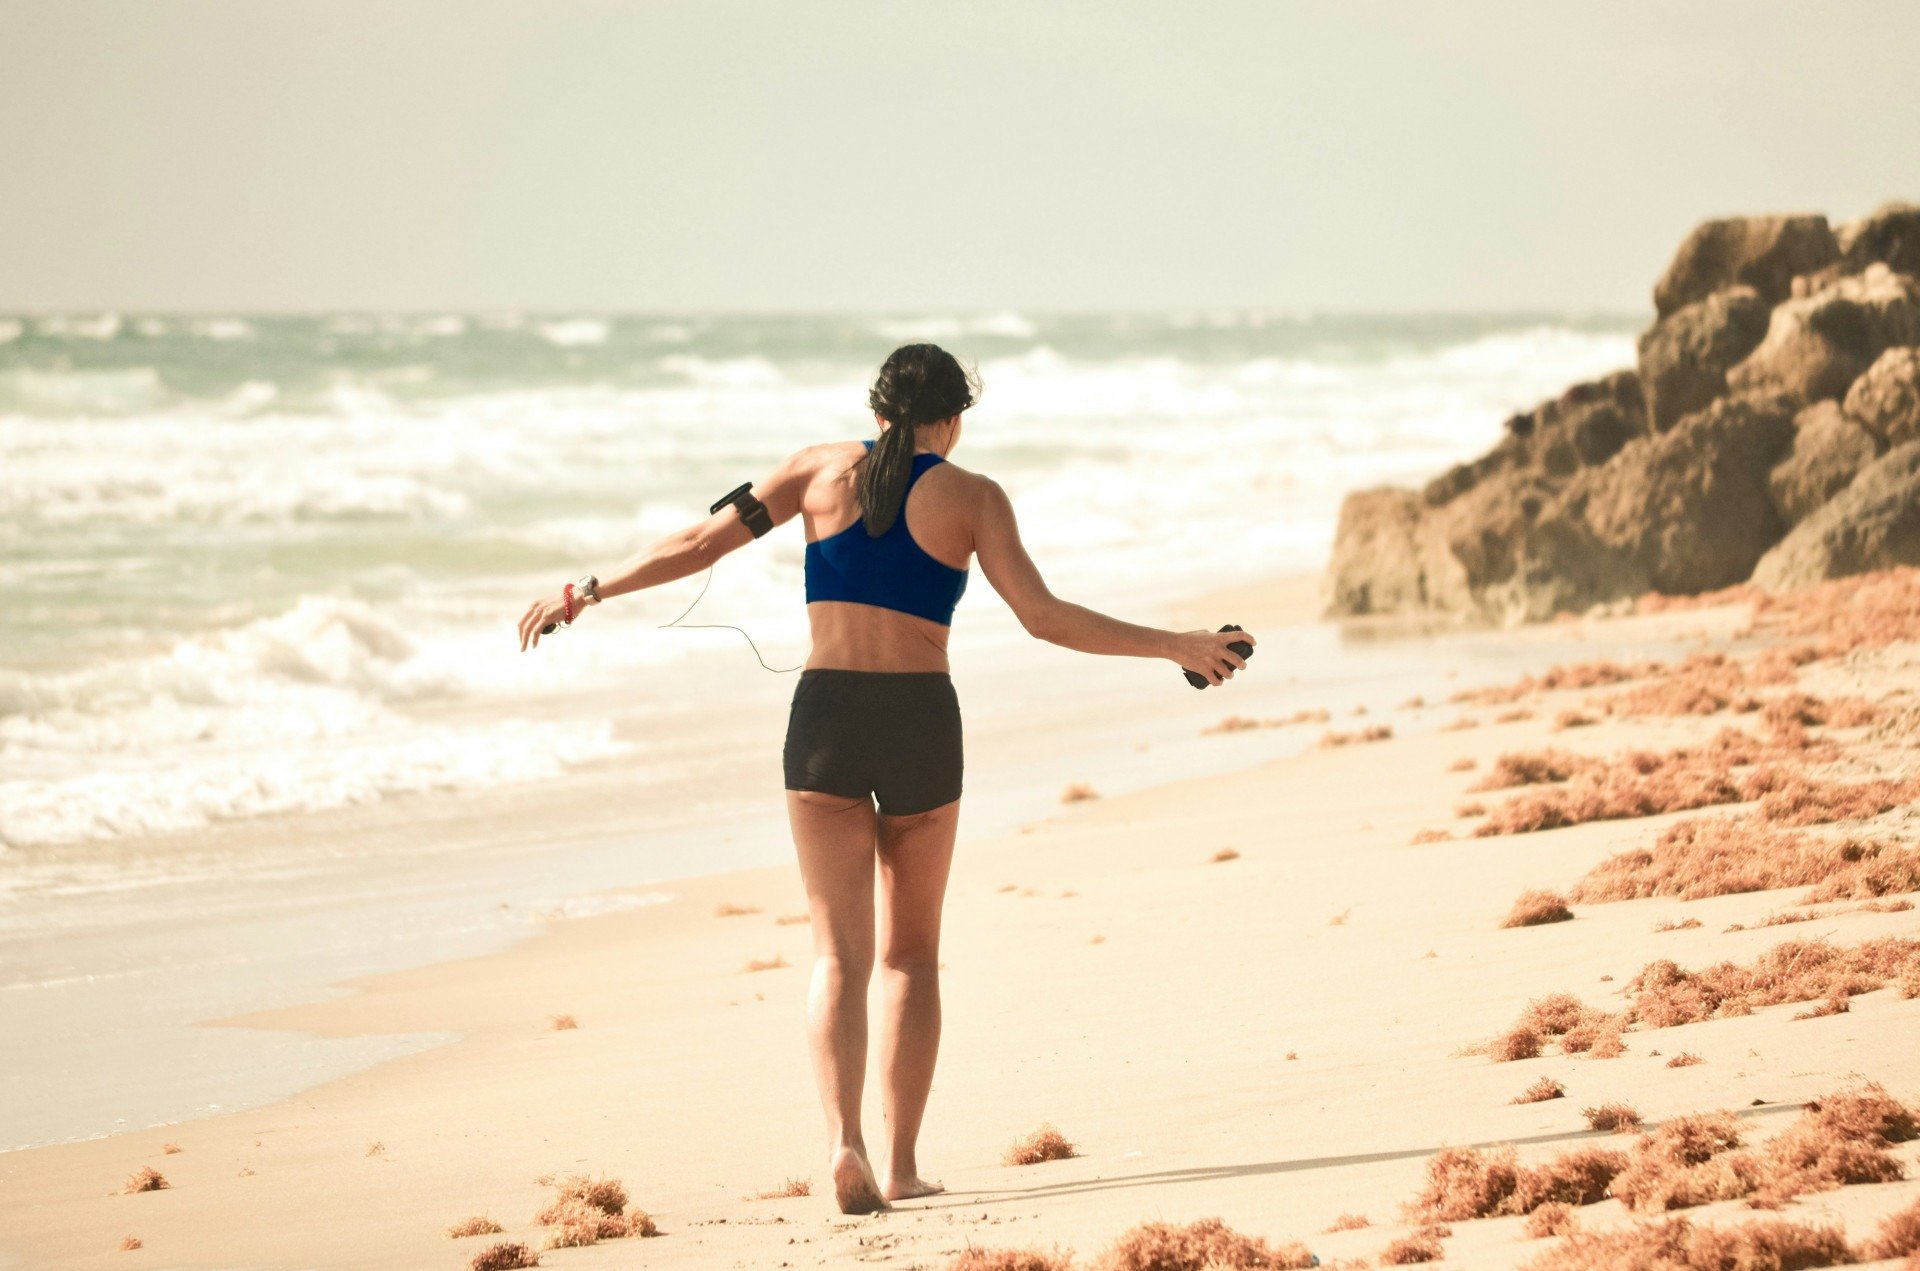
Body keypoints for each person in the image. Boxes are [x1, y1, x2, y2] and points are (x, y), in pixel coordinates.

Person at [517, 342, 1256, 1214]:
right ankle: (901, 1163)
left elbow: (696, 543)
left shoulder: (811, 472)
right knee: (910, 957)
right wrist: (1179, 644)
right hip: (918, 722)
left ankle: (843, 1145)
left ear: (875, 412)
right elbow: (1044, 618)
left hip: (824, 720)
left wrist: (587, 591)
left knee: (838, 954)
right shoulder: (974, 497)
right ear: (951, 419)